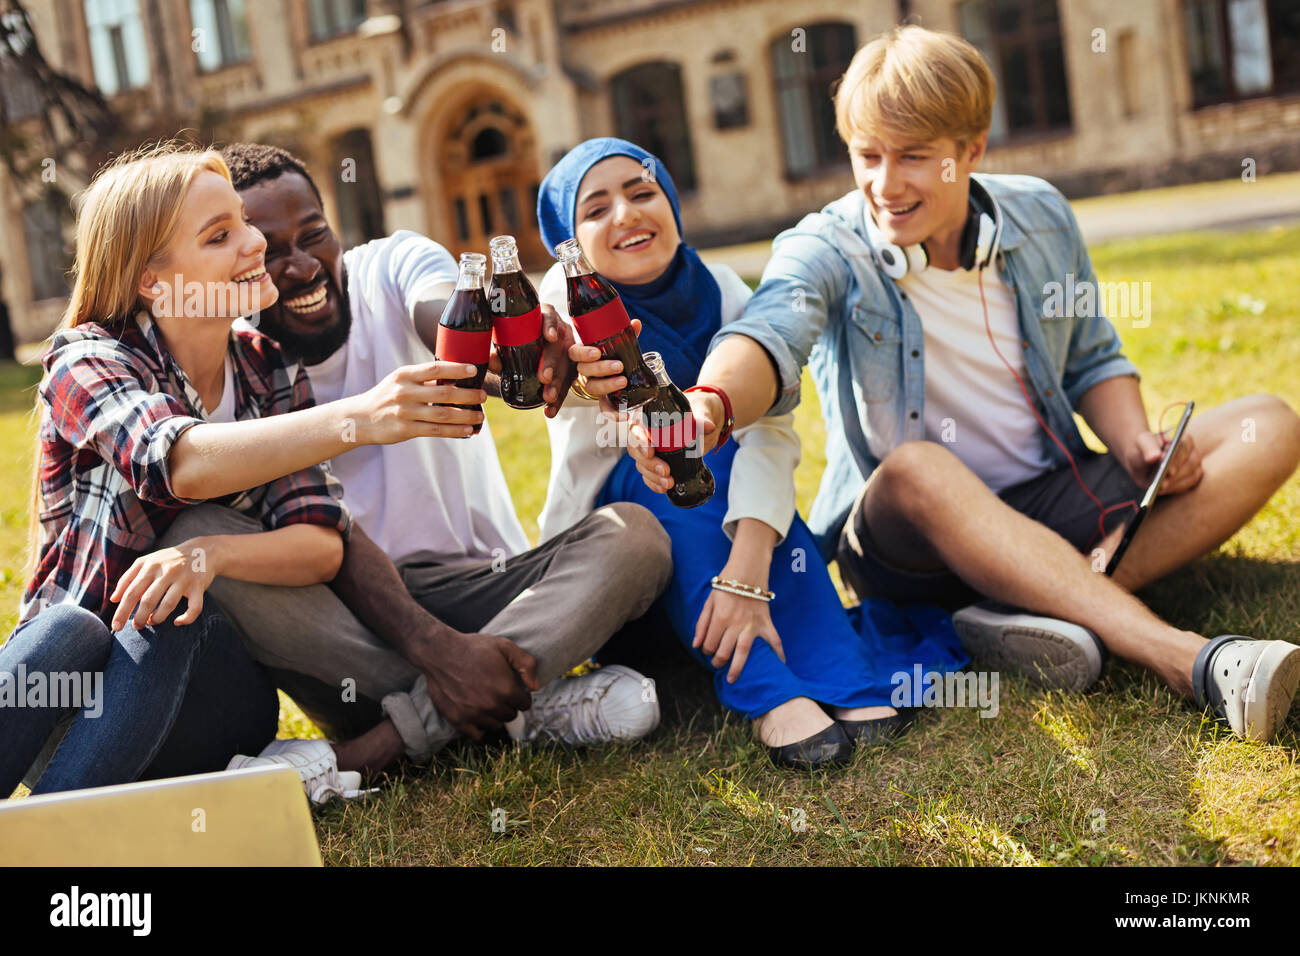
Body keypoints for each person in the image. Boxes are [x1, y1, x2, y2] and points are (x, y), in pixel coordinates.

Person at [627, 25, 1300, 743]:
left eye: (914, 156)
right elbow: (769, 331)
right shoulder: (826, 246)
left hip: (1046, 498)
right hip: (905, 533)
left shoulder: (1039, 214)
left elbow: (1093, 359)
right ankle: (1190, 660)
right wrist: (709, 406)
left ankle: (1026, 605)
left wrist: (1137, 442)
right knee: (918, 465)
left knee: (1271, 420)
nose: (885, 185)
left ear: (970, 151)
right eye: (868, 156)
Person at [150, 142, 669, 766]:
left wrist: (528, 357)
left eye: (314, 236)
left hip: (481, 589)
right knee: (199, 538)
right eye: (270, 249)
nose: (303, 267)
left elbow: (454, 332)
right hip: (348, 631)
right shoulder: (239, 360)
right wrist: (434, 650)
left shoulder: (391, 263)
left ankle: (387, 745)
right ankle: (527, 703)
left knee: (634, 538)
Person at [536, 138, 967, 769]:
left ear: (672, 205)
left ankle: (838, 671)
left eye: (641, 193)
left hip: (739, 541)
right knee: (682, 461)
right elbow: (572, 382)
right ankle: (764, 688)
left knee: (741, 462)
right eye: (595, 209)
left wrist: (749, 564)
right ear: (570, 241)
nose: (625, 215)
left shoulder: (721, 289)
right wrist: (604, 399)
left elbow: (771, 429)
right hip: (635, 571)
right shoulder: (569, 305)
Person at [4, 145, 363, 798]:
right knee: (69, 628)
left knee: (175, 613)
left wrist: (209, 555)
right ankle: (64, 826)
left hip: (214, 703)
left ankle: (53, 843)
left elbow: (320, 546)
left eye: (242, 223)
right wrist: (366, 417)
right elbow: (178, 462)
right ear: (152, 280)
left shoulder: (268, 367)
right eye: (221, 235)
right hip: (68, 711)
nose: (255, 243)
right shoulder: (87, 359)